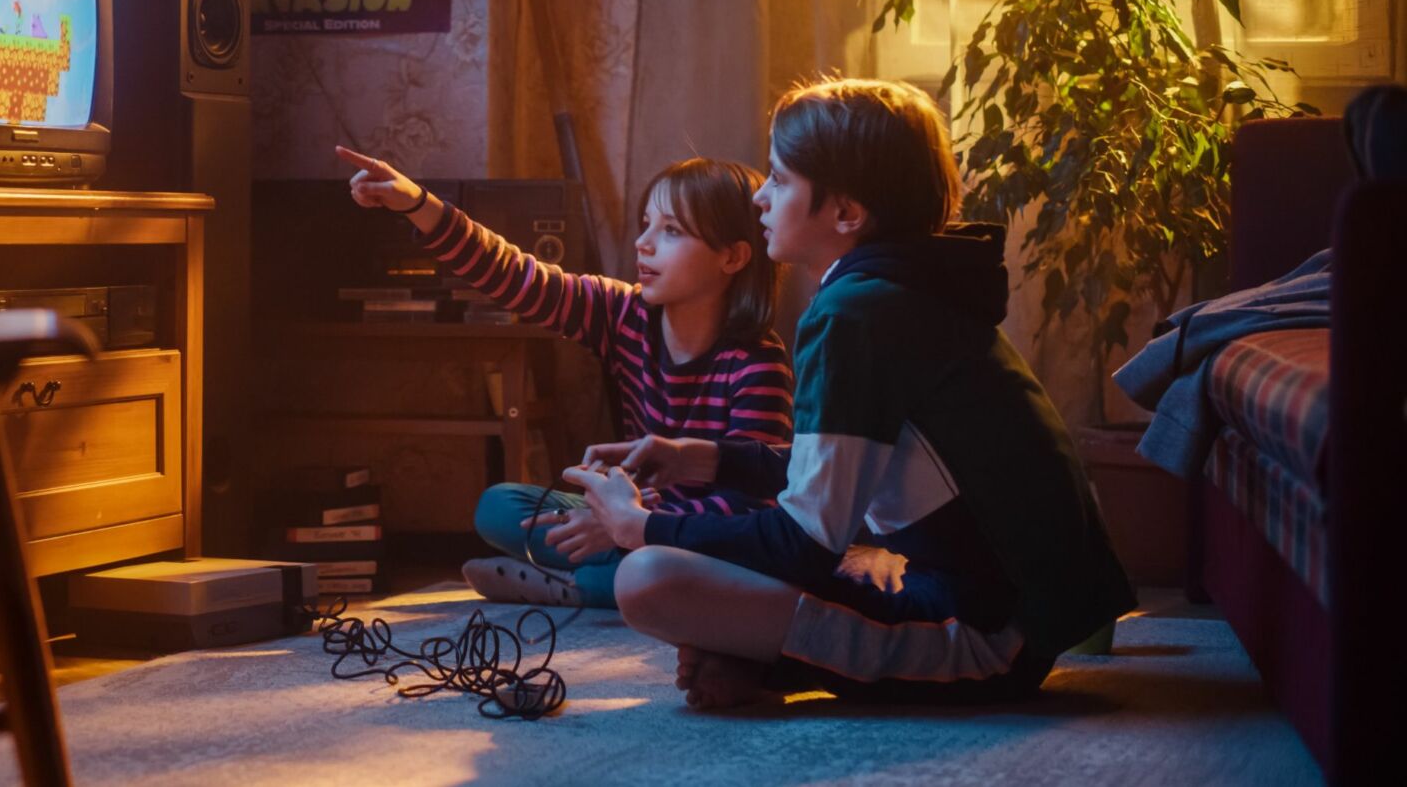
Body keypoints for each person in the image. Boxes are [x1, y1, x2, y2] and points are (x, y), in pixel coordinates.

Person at [564, 78, 1136, 708]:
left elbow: (805, 544)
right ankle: (762, 658)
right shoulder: (897, 292)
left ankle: (778, 661)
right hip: (1000, 611)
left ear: (845, 214)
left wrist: (637, 525)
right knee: (693, 569)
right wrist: (697, 456)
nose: (759, 196)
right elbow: (846, 468)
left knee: (648, 576)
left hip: (984, 637)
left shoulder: (854, 315)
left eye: (779, 181)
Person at [336, 147, 793, 609]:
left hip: (698, 539)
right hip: (630, 518)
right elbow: (516, 277)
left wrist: (631, 521)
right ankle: (595, 571)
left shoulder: (757, 363)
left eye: (671, 230)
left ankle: (579, 584)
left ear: (732, 257)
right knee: (498, 506)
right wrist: (419, 203)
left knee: (641, 573)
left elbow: (747, 506)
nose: (644, 243)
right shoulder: (622, 312)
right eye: (647, 224)